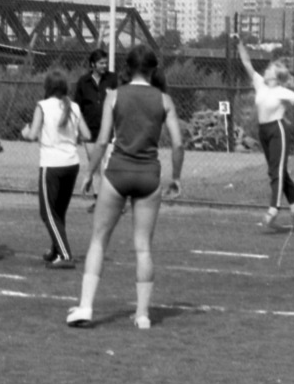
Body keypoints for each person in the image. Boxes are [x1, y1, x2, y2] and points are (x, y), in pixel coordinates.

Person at [66, 43, 184, 330]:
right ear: (154, 69)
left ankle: (86, 307)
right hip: (149, 177)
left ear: (127, 69)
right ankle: (142, 315)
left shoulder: (114, 96)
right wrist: (176, 178)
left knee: (98, 240)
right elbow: (178, 144)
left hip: (117, 173)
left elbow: (103, 140)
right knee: (143, 248)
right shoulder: (164, 100)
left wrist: (89, 173)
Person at [234, 35, 294, 230]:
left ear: (276, 76)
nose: (266, 69)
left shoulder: (282, 91)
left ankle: (274, 209)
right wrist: (240, 45)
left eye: (270, 68)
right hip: (263, 132)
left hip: (278, 130)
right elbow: (246, 63)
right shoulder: (260, 83)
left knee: (275, 171)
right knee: (278, 170)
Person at [21, 69, 88, 268]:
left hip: (51, 164)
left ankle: (65, 255)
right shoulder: (74, 106)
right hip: (72, 163)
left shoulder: (42, 106)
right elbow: (86, 133)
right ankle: (55, 250)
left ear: (47, 87)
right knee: (58, 211)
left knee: (47, 212)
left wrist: (25, 132)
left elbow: (32, 135)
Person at [71, 47, 118, 198]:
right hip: (90, 130)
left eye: (106, 63)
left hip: (109, 129)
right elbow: (77, 106)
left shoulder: (113, 79)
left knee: (109, 166)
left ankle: (112, 199)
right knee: (95, 165)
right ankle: (99, 199)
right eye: (101, 63)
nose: (104, 66)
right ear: (93, 64)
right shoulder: (83, 82)